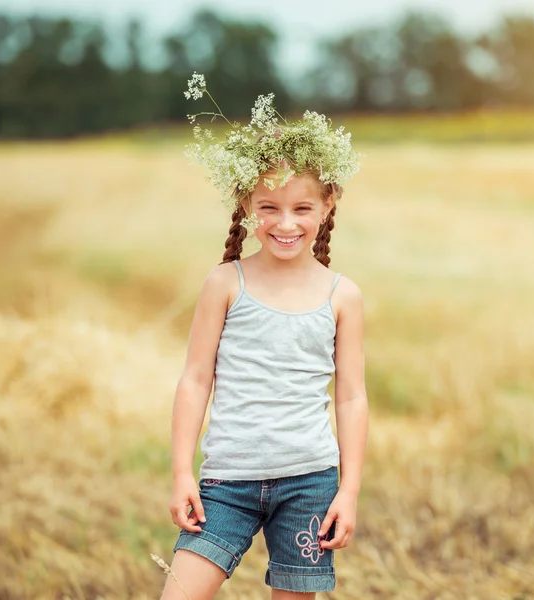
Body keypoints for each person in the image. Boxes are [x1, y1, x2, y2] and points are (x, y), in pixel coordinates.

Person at [159, 74, 369, 600]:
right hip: (225, 486)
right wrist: (182, 471)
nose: (285, 223)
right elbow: (194, 379)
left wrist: (349, 489)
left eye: (302, 208)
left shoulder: (342, 296)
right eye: (268, 207)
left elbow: (351, 396)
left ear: (328, 205)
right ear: (247, 205)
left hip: (309, 484)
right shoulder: (226, 282)